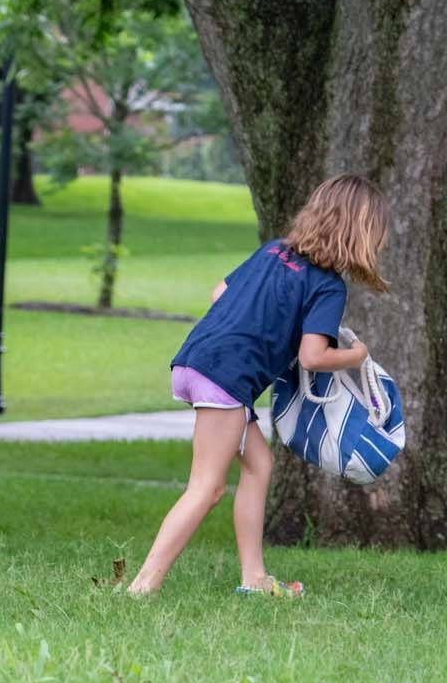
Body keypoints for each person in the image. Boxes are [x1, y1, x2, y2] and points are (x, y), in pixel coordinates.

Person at [127, 174, 388, 599]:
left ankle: (255, 577)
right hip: (226, 378)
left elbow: (218, 294)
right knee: (206, 488)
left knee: (258, 465)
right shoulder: (327, 284)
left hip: (198, 359)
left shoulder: (274, 251)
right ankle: (142, 586)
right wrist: (355, 356)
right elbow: (313, 357)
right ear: (360, 233)